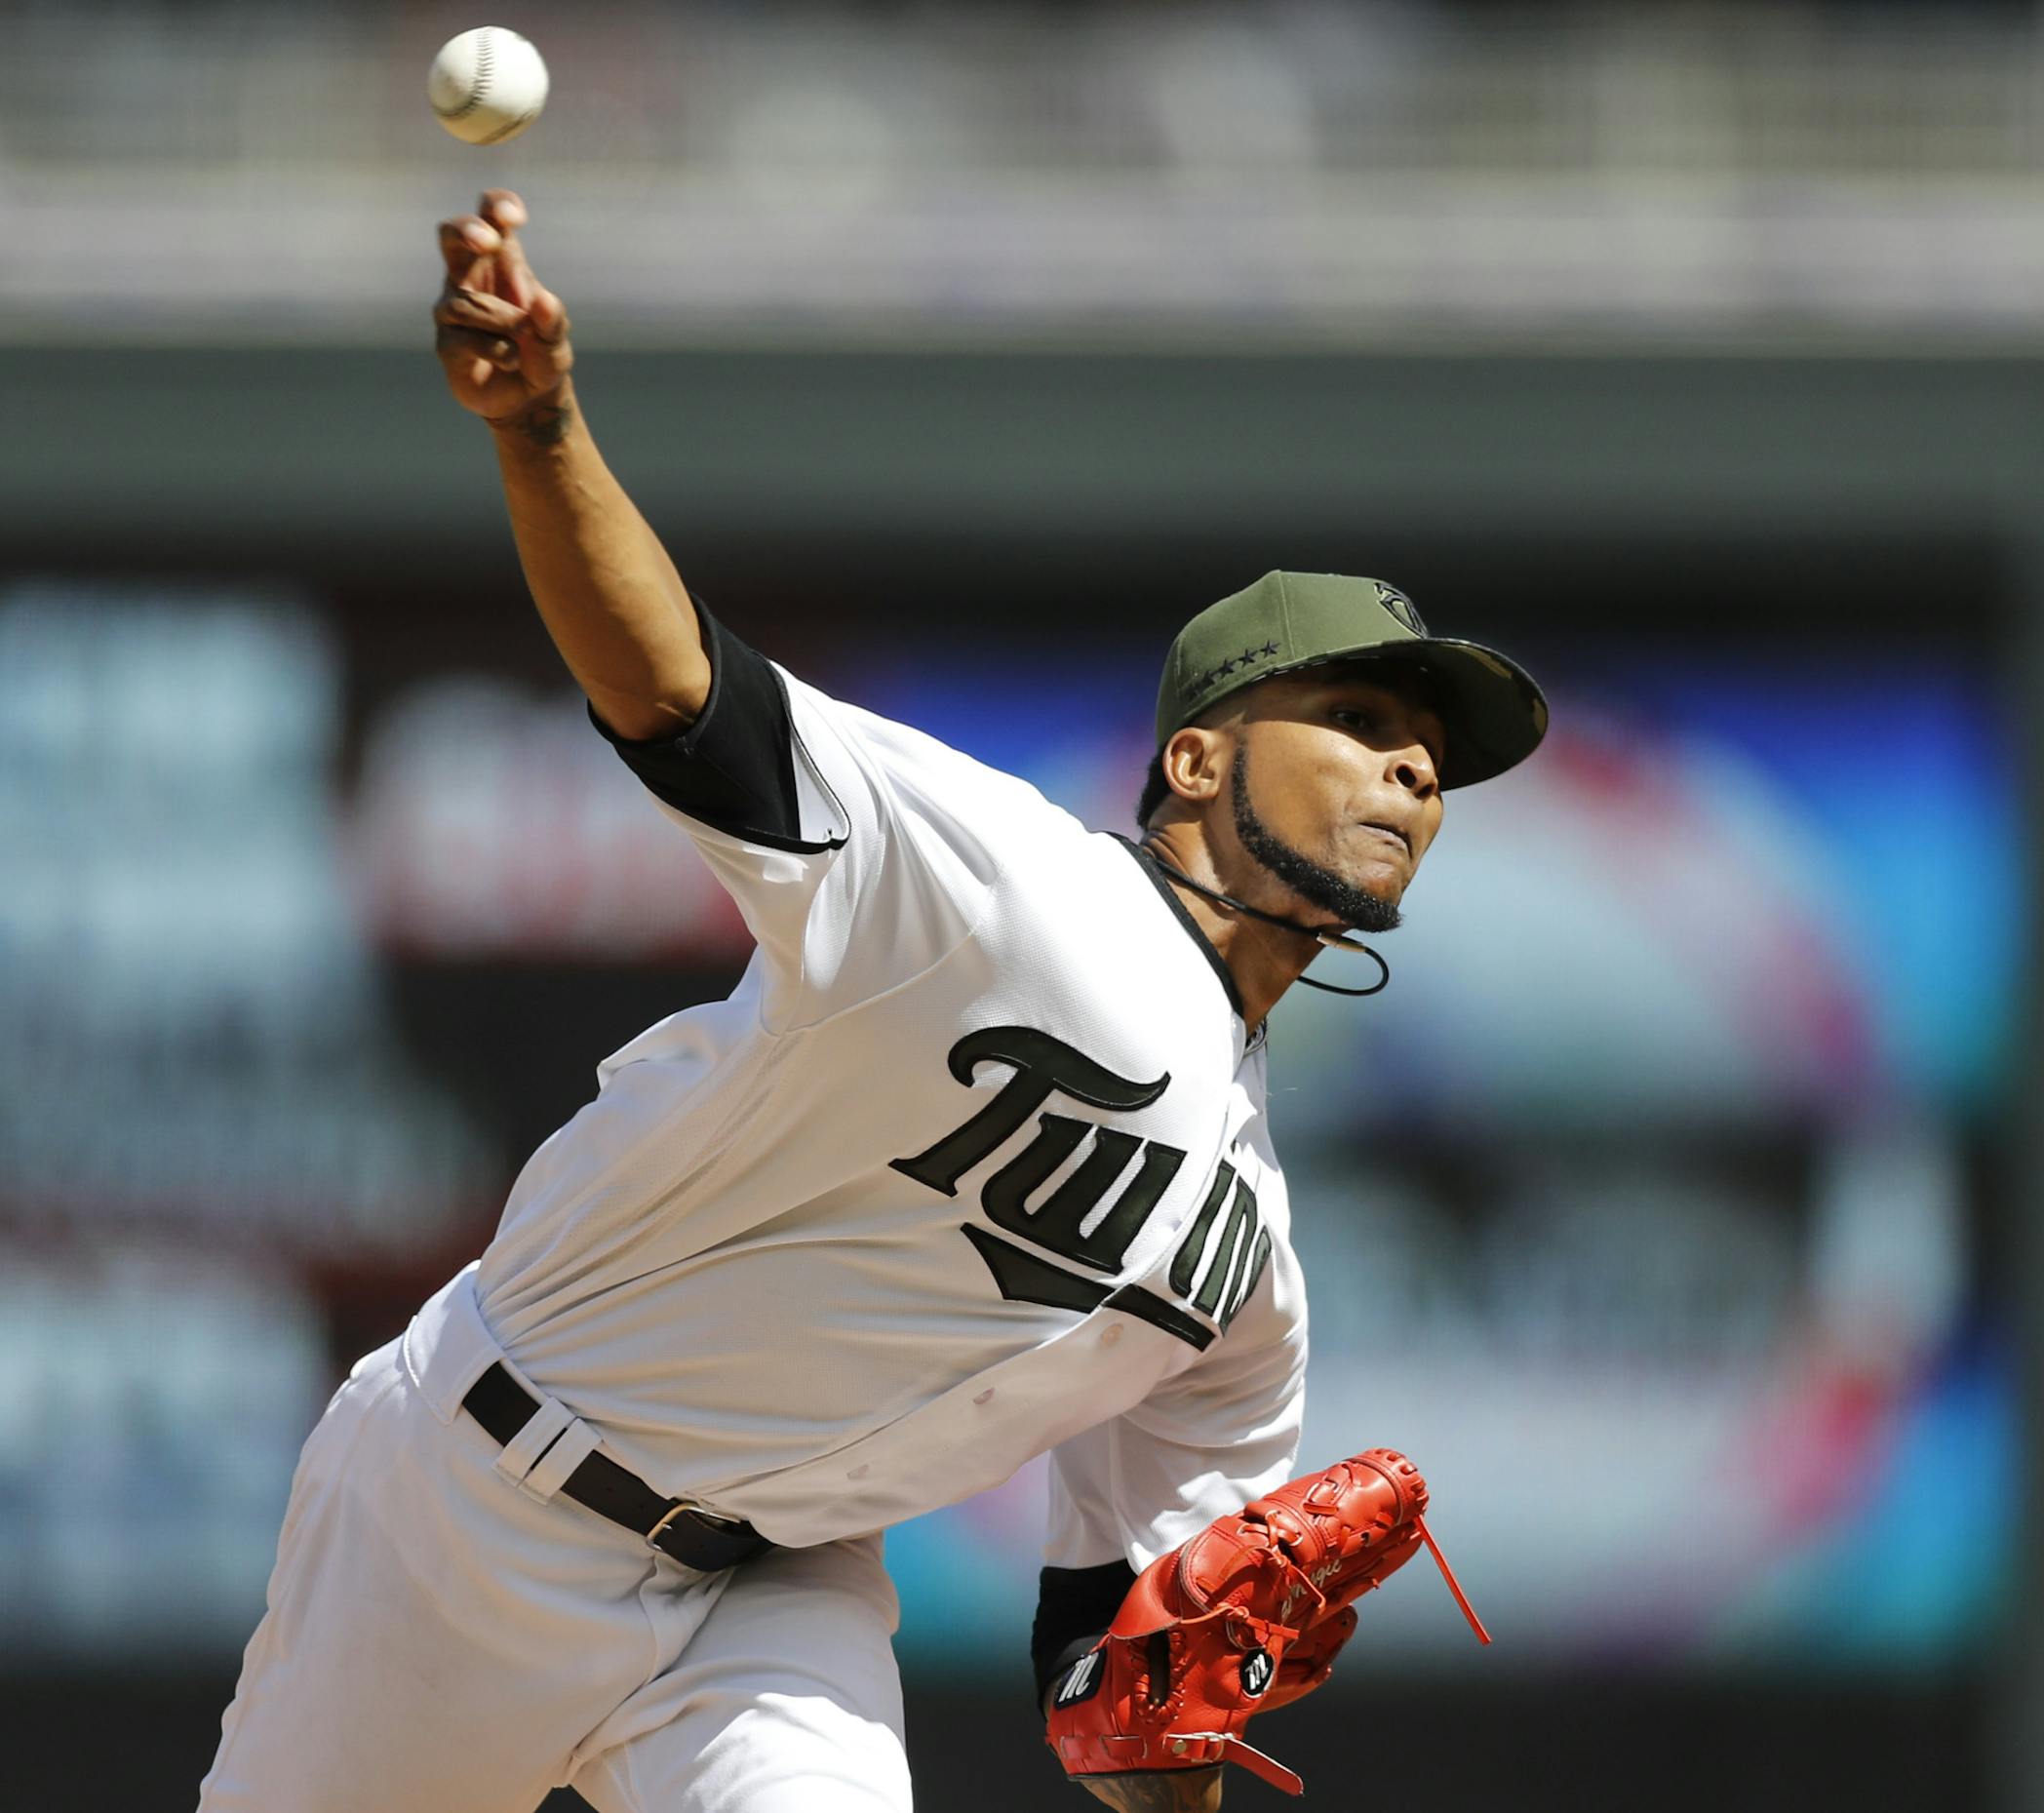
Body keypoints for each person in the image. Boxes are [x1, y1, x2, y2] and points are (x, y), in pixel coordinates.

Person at [197, 189, 1548, 1813]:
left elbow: (1119, 1695)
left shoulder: (1246, 1281)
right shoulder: (1001, 880)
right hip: (471, 1500)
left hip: (772, 1597)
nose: (1411, 763)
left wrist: (1170, 1707)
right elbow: (681, 696)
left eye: (1433, 754)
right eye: (1356, 715)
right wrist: (542, 428)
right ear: (1196, 758)